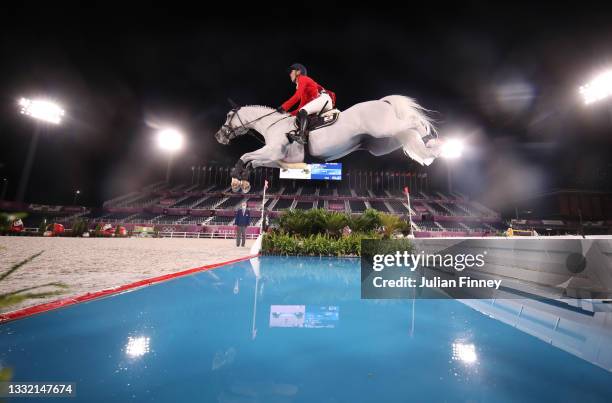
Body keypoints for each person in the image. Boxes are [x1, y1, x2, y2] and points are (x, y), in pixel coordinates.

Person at [277, 63, 336, 145]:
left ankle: (302, 136)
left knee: (302, 111)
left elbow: (297, 97)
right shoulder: (302, 85)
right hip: (323, 102)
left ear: (298, 72)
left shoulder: (303, 78)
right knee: (302, 112)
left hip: (324, 99)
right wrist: (287, 114)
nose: (290, 74)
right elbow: (301, 107)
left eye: (291, 72)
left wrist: (283, 108)